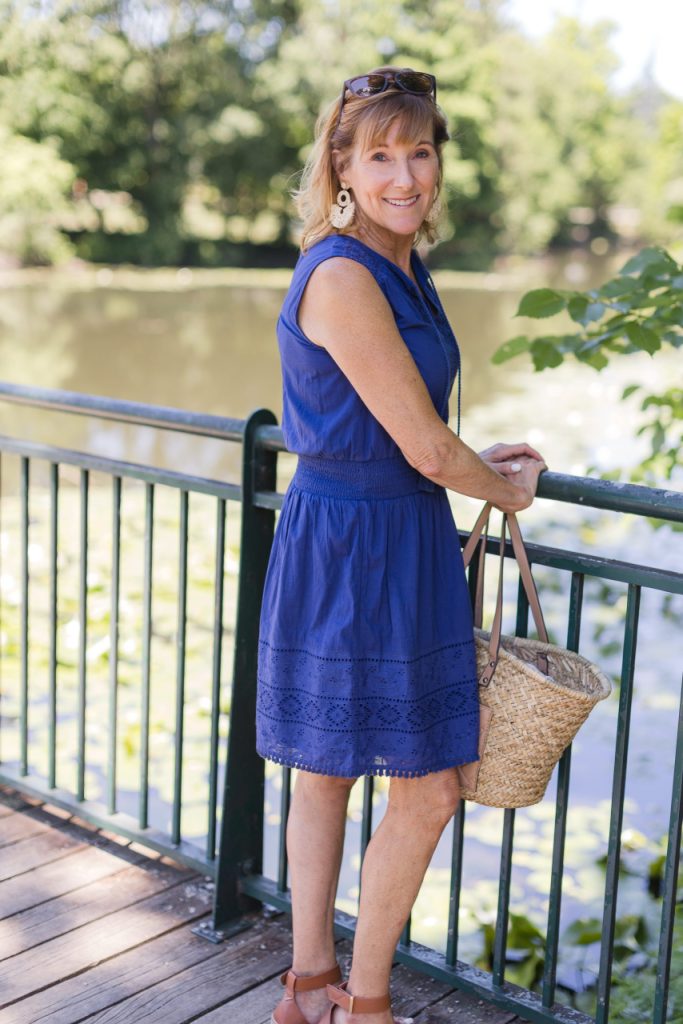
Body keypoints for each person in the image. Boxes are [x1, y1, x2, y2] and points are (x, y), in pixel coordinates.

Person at [257, 66, 547, 1024]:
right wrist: (498, 487)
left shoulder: (400, 263)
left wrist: (476, 459)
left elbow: (412, 426)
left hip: (390, 534)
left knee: (334, 772)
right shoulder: (342, 271)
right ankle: (362, 1002)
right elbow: (422, 443)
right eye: (377, 153)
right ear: (340, 164)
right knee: (423, 788)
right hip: (355, 545)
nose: (402, 175)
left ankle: (306, 989)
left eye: (417, 151)